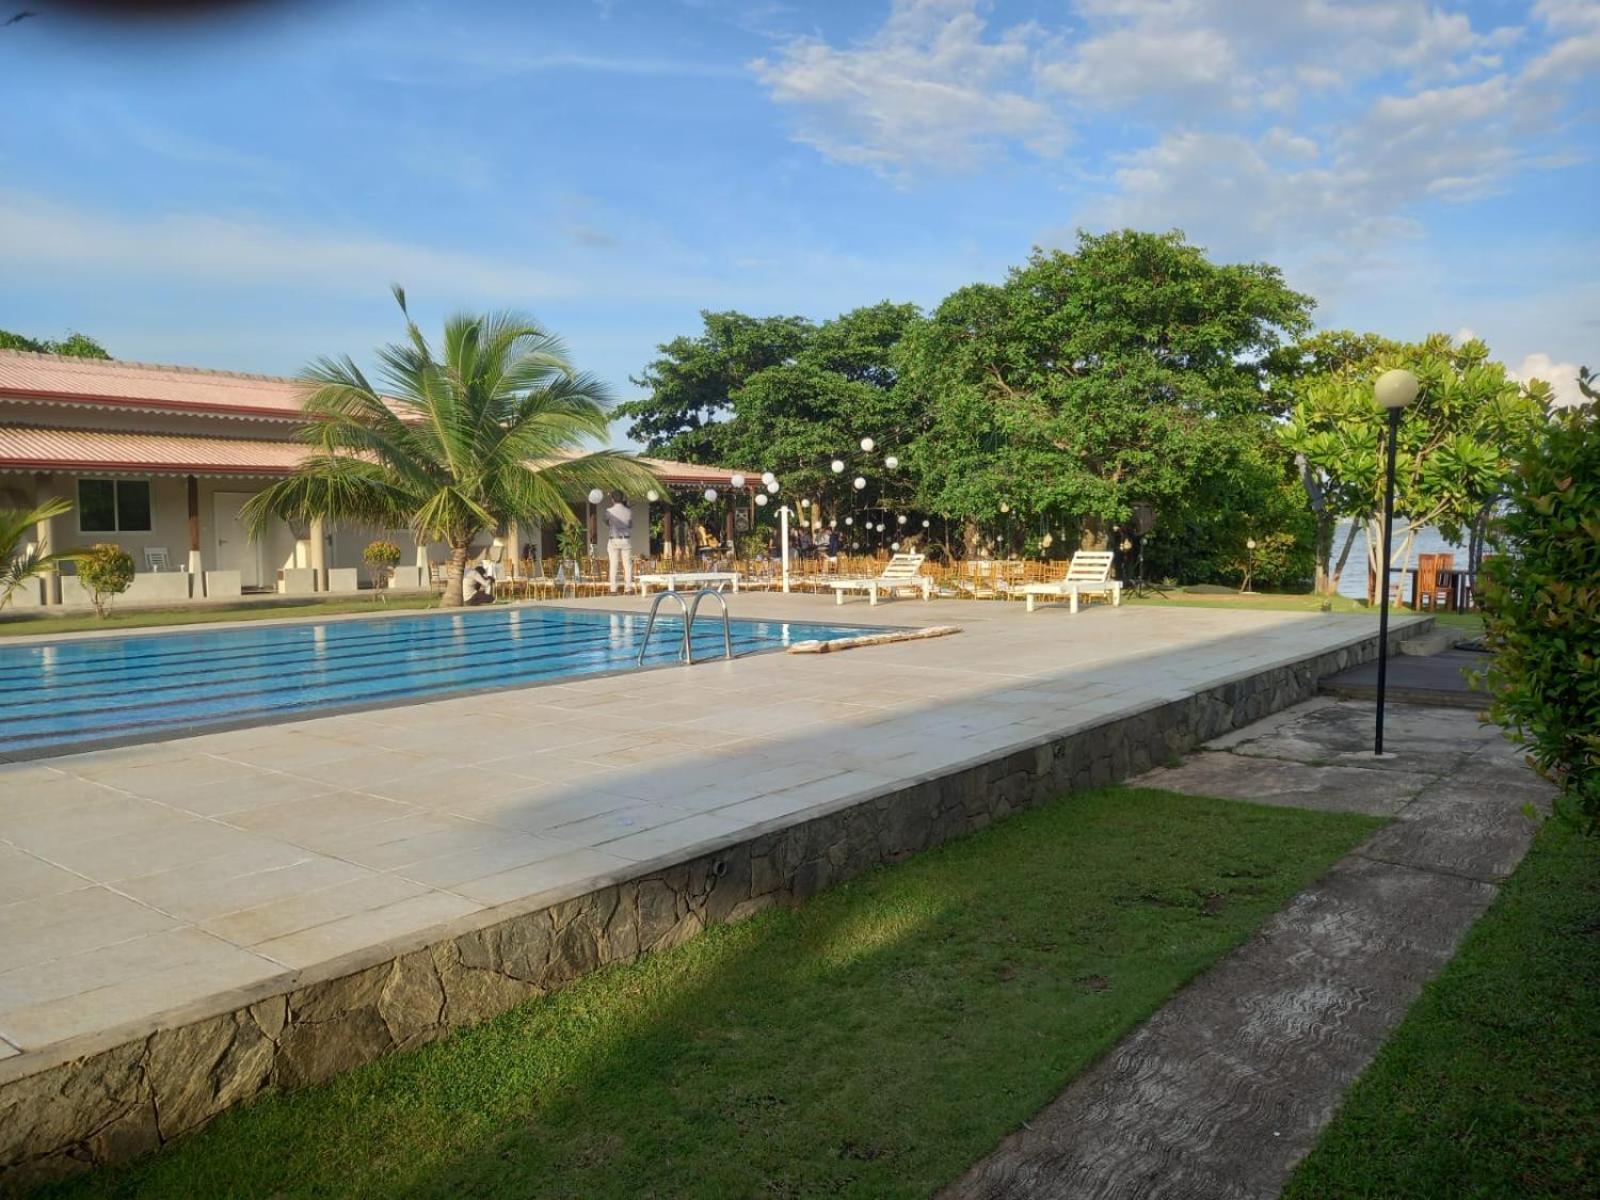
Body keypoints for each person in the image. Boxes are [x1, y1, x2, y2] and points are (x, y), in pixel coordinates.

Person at [604, 491, 634, 593]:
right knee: (627, 565)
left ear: (612, 499)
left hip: (614, 539)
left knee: (613, 564)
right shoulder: (628, 511)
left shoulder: (609, 510)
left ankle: (613, 589)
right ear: (622, 498)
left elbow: (605, 521)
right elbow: (630, 525)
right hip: (625, 539)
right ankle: (628, 589)